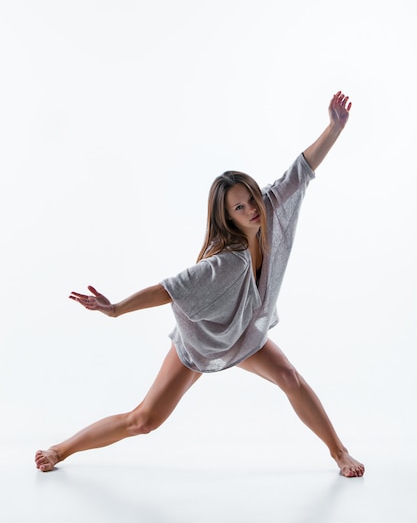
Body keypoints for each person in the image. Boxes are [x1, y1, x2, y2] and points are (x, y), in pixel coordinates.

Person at [35, 91, 365, 477]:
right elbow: (166, 289)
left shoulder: (272, 210)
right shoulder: (225, 261)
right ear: (227, 217)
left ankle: (339, 453)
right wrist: (116, 308)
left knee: (289, 376)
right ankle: (60, 449)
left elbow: (302, 167)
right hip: (202, 340)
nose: (251, 210)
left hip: (245, 334)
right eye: (239, 208)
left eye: (250, 199)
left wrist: (334, 128)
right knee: (143, 420)